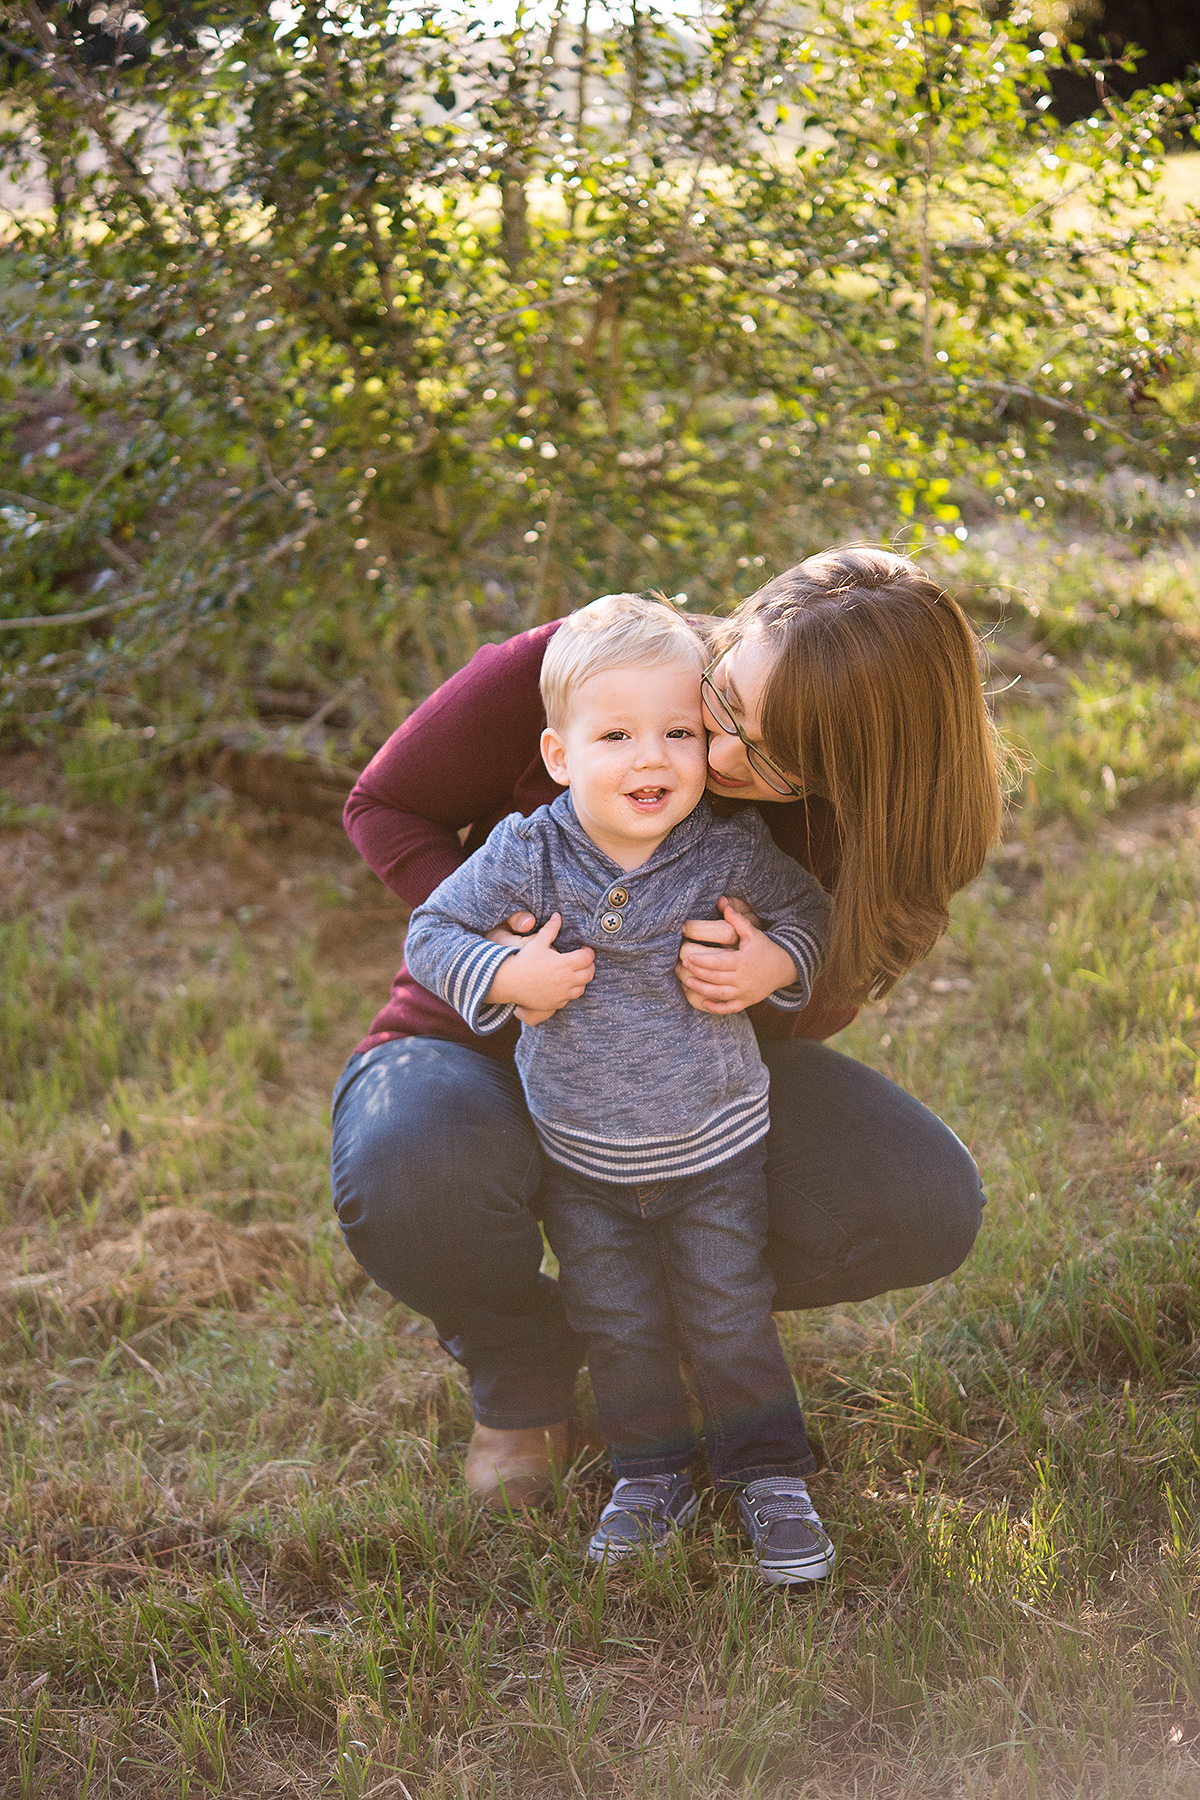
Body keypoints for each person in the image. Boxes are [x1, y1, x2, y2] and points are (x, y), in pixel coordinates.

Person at [331, 546, 1005, 1524]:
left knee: (921, 1203)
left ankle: (661, 1318)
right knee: (409, 1160)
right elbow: (385, 804)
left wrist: (774, 973)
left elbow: (842, 977)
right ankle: (522, 1369)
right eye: (724, 701)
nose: (721, 756)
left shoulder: (882, 823)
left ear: (864, 774)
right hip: (476, 1045)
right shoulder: (584, 670)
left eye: (777, 758)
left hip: (689, 1082)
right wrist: (495, 948)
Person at [403, 595, 836, 1581]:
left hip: (716, 1148)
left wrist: (776, 964)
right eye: (617, 735)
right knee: (621, 1320)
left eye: (679, 732)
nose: (653, 759)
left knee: (729, 1311)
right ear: (560, 755)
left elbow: (806, 916)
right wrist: (505, 980)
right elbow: (431, 935)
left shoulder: (726, 848)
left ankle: (770, 1472)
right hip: (582, 1159)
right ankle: (651, 1474)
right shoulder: (526, 853)